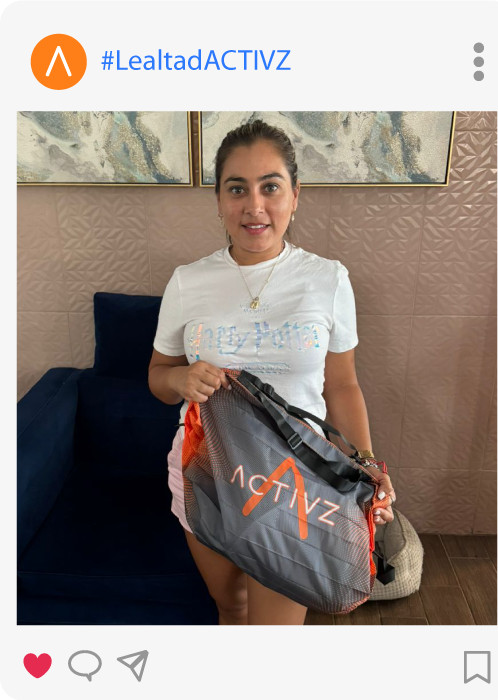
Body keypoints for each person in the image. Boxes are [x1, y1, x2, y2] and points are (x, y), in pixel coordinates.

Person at [148, 119, 396, 625]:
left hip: (296, 480)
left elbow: (342, 385)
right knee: (230, 605)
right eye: (237, 188)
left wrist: (367, 465)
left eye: (271, 187)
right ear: (219, 200)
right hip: (207, 468)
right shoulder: (188, 281)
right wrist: (180, 380)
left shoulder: (327, 279)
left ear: (295, 195)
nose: (254, 206)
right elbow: (159, 375)